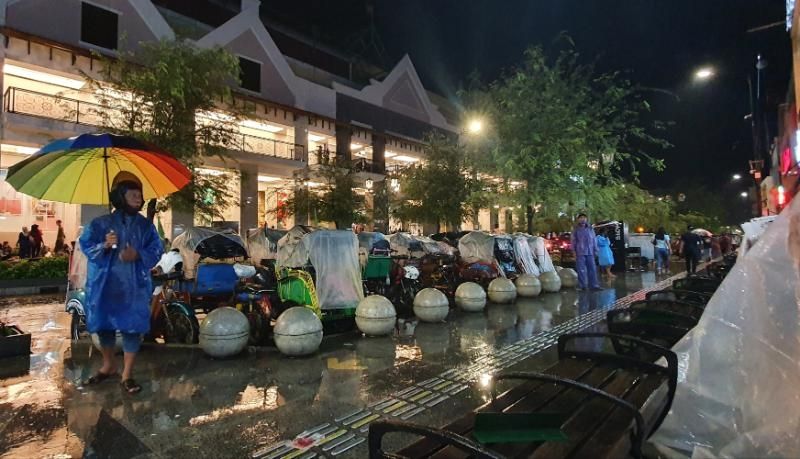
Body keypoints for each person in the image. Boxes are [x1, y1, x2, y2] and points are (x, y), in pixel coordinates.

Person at [79, 172, 163, 394]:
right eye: (133, 194)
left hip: (134, 285)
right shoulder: (100, 224)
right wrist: (104, 245)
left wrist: (139, 254)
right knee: (104, 325)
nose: (138, 198)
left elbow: (157, 248)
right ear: (120, 197)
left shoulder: (146, 226)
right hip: (105, 285)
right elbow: (86, 245)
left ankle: (127, 374)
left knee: (132, 327)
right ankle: (108, 365)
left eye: (139, 194)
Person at [570, 213, 601, 290]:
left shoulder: (590, 229)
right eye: (581, 218)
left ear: (586, 219)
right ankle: (582, 286)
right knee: (581, 270)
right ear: (578, 220)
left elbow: (594, 240)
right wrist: (573, 252)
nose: (583, 219)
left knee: (592, 269)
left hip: (590, 252)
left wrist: (596, 250)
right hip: (580, 252)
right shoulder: (575, 229)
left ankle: (594, 285)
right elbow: (573, 241)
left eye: (584, 217)